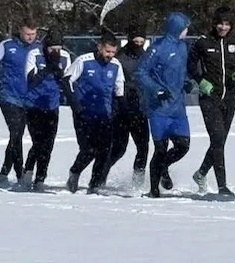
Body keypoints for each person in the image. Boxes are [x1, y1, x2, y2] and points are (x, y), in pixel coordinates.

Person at [188, 7, 235, 196]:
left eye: (226, 24)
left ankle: (201, 173)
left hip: (230, 98)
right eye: (220, 23)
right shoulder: (203, 42)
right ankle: (222, 186)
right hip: (210, 98)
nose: (223, 27)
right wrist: (201, 81)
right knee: (217, 139)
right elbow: (190, 65)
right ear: (214, 23)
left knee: (220, 141)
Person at [136, 13, 194, 198]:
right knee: (160, 149)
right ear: (176, 28)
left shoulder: (183, 47)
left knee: (183, 146)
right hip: (159, 108)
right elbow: (141, 72)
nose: (187, 31)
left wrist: (186, 81)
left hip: (177, 107)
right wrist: (156, 90)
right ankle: (153, 190)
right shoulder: (157, 48)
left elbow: (180, 71)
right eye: (185, 28)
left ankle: (163, 168)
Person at [62, 31, 125, 194]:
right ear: (99, 48)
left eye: (113, 52)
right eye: (107, 51)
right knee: (89, 149)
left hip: (105, 114)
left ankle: (95, 184)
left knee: (104, 150)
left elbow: (119, 91)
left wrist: (118, 112)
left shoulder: (116, 65)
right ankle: (75, 172)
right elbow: (67, 80)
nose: (110, 55)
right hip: (84, 114)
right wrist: (76, 106)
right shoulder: (84, 61)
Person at [0, 19, 39, 185]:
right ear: (20, 31)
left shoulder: (39, 47)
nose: (30, 37)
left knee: (17, 136)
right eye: (27, 34)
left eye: (33, 34)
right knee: (16, 133)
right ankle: (19, 173)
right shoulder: (7, 45)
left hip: (29, 98)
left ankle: (4, 171)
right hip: (9, 96)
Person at [22, 27, 71, 192]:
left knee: (48, 144)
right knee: (38, 142)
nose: (56, 52)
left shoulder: (65, 57)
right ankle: (28, 169)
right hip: (34, 105)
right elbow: (30, 80)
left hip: (52, 105)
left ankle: (40, 178)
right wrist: (48, 68)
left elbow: (67, 82)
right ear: (46, 47)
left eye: (59, 49)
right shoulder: (34, 54)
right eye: (52, 49)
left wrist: (59, 73)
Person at [107, 24, 151, 187]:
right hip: (122, 110)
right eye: (136, 40)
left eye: (142, 41)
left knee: (143, 147)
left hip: (140, 109)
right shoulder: (119, 57)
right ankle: (99, 176)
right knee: (119, 148)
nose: (139, 44)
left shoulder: (147, 56)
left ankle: (137, 182)